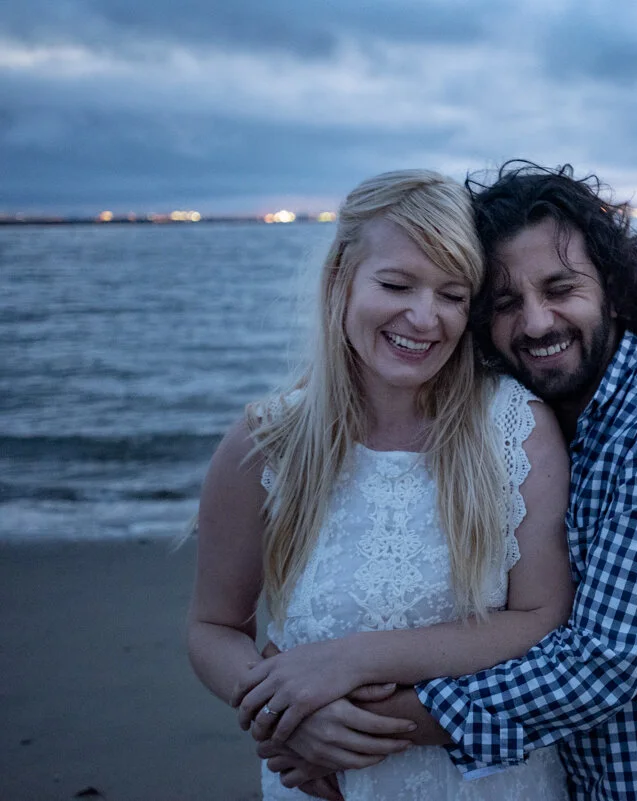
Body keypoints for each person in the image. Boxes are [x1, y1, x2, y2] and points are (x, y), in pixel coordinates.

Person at [251, 162, 637, 799]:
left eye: (561, 289)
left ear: (613, 290)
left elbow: (593, 668)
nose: (535, 323)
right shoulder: (530, 425)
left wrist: (340, 728)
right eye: (505, 302)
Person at [186, 169, 575, 801]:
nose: (423, 318)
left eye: (452, 295)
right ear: (341, 280)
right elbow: (213, 627)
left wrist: (350, 660)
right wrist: (287, 717)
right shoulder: (266, 442)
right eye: (396, 284)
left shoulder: (512, 428)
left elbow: (540, 616)